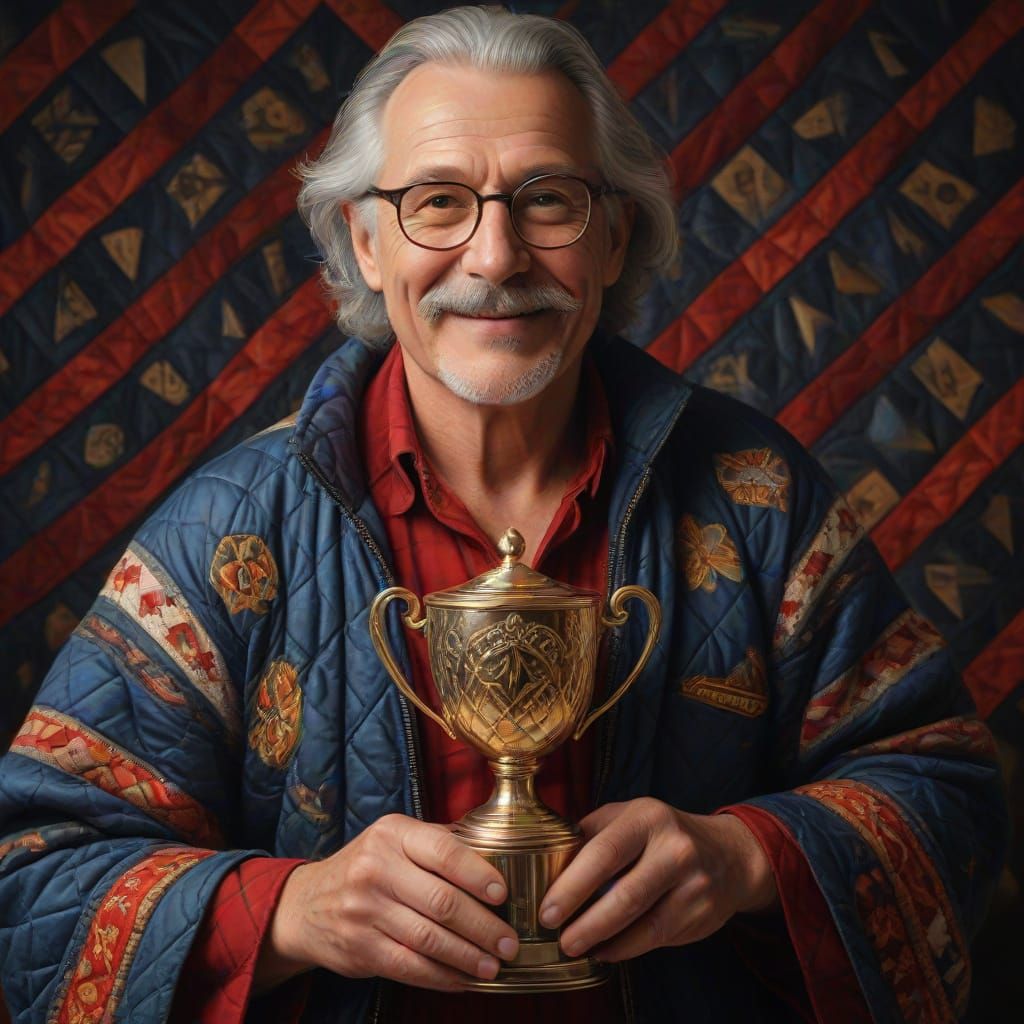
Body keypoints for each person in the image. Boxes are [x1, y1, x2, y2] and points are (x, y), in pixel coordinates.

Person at [0, 7, 1007, 1023]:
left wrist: (747, 857)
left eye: (549, 200)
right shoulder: (227, 533)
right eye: (437, 202)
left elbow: (948, 791)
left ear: (613, 236)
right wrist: (295, 910)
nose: (495, 255)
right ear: (366, 240)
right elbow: (31, 878)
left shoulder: (759, 499)